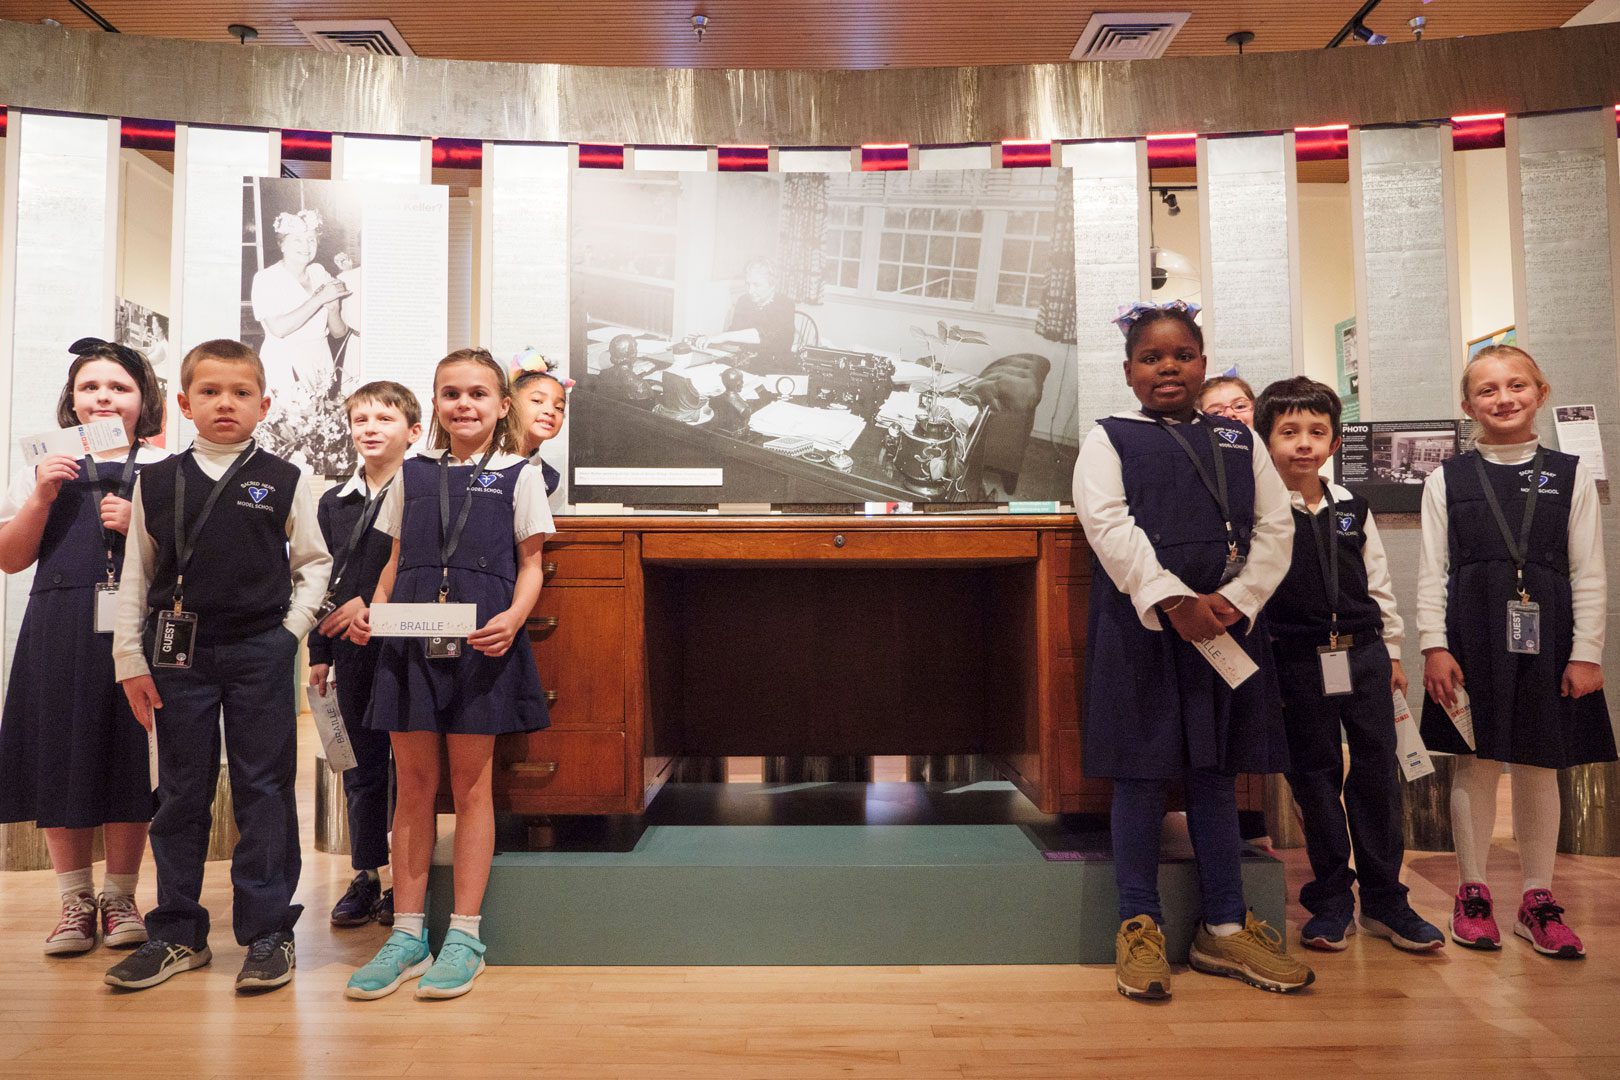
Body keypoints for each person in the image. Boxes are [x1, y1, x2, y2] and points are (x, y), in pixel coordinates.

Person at [1074, 299, 1310, 1001]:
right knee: (1141, 775)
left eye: (1181, 355)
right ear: (1129, 372)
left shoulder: (1241, 443)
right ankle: (1138, 923)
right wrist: (1173, 599)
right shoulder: (1108, 439)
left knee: (1215, 774)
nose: (1167, 367)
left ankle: (1227, 931)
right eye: (1151, 358)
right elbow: (1108, 525)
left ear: (1203, 365)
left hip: (1227, 625)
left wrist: (1235, 601)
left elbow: (1276, 528)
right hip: (1144, 629)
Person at [105, 338, 331, 992]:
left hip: (261, 651)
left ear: (264, 403)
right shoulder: (157, 480)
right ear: (182, 403)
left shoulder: (286, 478)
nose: (224, 403)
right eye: (209, 392)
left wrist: (288, 633)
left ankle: (267, 932)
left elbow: (314, 564)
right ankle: (176, 932)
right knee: (180, 792)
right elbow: (136, 577)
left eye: (239, 393)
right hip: (178, 654)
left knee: (264, 791)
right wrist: (129, 659)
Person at [344, 348, 553, 1000]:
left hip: (483, 646)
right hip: (410, 644)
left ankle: (465, 935)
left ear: (501, 406)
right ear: (433, 404)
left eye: (477, 394)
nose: (464, 404)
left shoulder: (520, 475)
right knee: (412, 788)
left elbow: (532, 565)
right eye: (451, 393)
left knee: (471, 789)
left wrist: (515, 619)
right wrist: (377, 613)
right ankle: (407, 934)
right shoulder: (411, 472)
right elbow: (395, 560)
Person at [1418, 345, 1614, 958]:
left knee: (1540, 763)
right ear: (1466, 404)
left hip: (1549, 635)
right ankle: (1472, 891)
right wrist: (1433, 645)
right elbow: (1432, 572)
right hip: (1470, 633)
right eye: (1488, 390)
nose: (1503, 399)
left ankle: (1538, 898)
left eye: (1516, 386)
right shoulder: (1445, 478)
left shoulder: (1571, 473)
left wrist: (1587, 651)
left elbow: (1589, 573)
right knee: (1472, 760)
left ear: (1541, 391)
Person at [1254, 376, 1445, 953]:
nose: (1304, 443)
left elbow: (1378, 582)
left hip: (1361, 655)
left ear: (1335, 442)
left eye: (1317, 432)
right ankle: (1332, 897)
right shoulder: (1258, 511)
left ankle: (1387, 899)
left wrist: (1390, 651)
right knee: (1313, 778)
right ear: (1266, 440)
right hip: (1295, 660)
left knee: (1377, 774)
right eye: (1289, 432)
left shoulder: (1350, 507)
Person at [0, 338, 168, 956]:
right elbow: (10, 559)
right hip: (60, 621)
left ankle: (121, 896)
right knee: (60, 749)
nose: (104, 397)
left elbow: (191, 561)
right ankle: (74, 901)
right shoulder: (42, 463)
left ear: (142, 399)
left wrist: (144, 525)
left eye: (119, 387)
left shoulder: (166, 462)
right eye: (90, 387)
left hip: (139, 626)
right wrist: (42, 496)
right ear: (72, 400)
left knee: (131, 751)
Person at [309, 381, 423, 930]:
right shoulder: (333, 502)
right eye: (361, 419)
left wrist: (379, 609)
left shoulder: (425, 490)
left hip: (403, 646)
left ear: (414, 431)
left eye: (385, 418)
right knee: (360, 766)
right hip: (347, 650)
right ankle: (367, 873)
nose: (371, 428)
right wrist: (319, 650)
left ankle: (407, 875)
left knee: (410, 767)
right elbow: (319, 580)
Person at [250, 207, 348, 409]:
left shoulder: (319, 272)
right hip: (284, 363)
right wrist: (319, 298)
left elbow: (339, 333)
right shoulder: (266, 279)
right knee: (288, 431)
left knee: (321, 431)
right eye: (297, 240)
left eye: (311, 240)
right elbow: (279, 329)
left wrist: (333, 310)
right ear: (282, 245)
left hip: (320, 361)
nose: (306, 246)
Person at [510, 348, 570, 509]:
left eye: (559, 407)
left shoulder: (550, 480)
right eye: (537, 400)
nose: (550, 411)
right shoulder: (480, 459)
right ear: (507, 404)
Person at [709, 258, 796, 364]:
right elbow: (735, 331)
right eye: (748, 284)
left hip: (775, 364)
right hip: (746, 361)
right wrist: (710, 341)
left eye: (756, 285)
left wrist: (723, 337)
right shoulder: (744, 301)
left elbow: (765, 334)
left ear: (772, 285)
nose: (750, 291)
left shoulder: (785, 305)